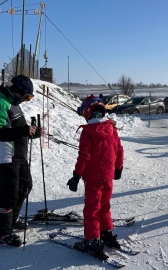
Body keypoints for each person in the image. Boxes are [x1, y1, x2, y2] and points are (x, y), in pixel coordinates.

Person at [0, 75, 42, 247]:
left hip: (18, 155)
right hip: (4, 156)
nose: (26, 100)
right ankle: (2, 233)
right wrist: (24, 131)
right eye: (26, 96)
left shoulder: (14, 105)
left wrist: (32, 132)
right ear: (16, 90)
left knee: (25, 186)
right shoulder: (0, 103)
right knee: (9, 194)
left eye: (29, 98)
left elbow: (17, 130)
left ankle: (12, 219)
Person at [67, 95, 124, 260]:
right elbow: (119, 150)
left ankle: (92, 240)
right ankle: (106, 233)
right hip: (107, 178)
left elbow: (84, 157)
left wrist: (76, 176)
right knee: (104, 206)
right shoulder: (111, 128)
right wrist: (118, 168)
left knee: (92, 209)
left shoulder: (88, 132)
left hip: (93, 179)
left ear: (87, 114)